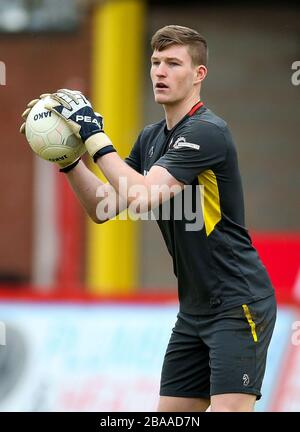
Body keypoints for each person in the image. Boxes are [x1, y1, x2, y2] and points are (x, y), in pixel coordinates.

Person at [20, 25, 277, 412]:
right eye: (156, 62)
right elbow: (104, 206)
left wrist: (95, 136)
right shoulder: (152, 137)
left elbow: (140, 197)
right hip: (193, 310)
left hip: (237, 304)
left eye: (173, 63)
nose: (160, 71)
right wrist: (71, 161)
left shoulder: (207, 132)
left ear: (198, 74)